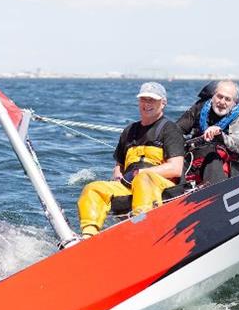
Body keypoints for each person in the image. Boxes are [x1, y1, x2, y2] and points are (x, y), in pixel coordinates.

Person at [77, 82, 185, 238]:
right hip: (129, 187)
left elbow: (175, 169)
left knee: (143, 178)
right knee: (93, 188)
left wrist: (141, 172)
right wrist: (118, 176)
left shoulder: (170, 129)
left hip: (161, 187)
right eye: (143, 99)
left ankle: (142, 229)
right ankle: (88, 237)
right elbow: (118, 166)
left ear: (163, 103)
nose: (147, 104)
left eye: (152, 100)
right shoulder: (129, 131)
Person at [176, 79, 239, 185]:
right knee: (177, 160)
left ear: (234, 103)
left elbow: (238, 145)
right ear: (213, 96)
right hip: (194, 160)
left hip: (220, 165)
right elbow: (177, 129)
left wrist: (220, 135)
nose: (222, 102)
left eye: (228, 99)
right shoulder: (200, 107)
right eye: (219, 96)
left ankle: (216, 195)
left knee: (213, 159)